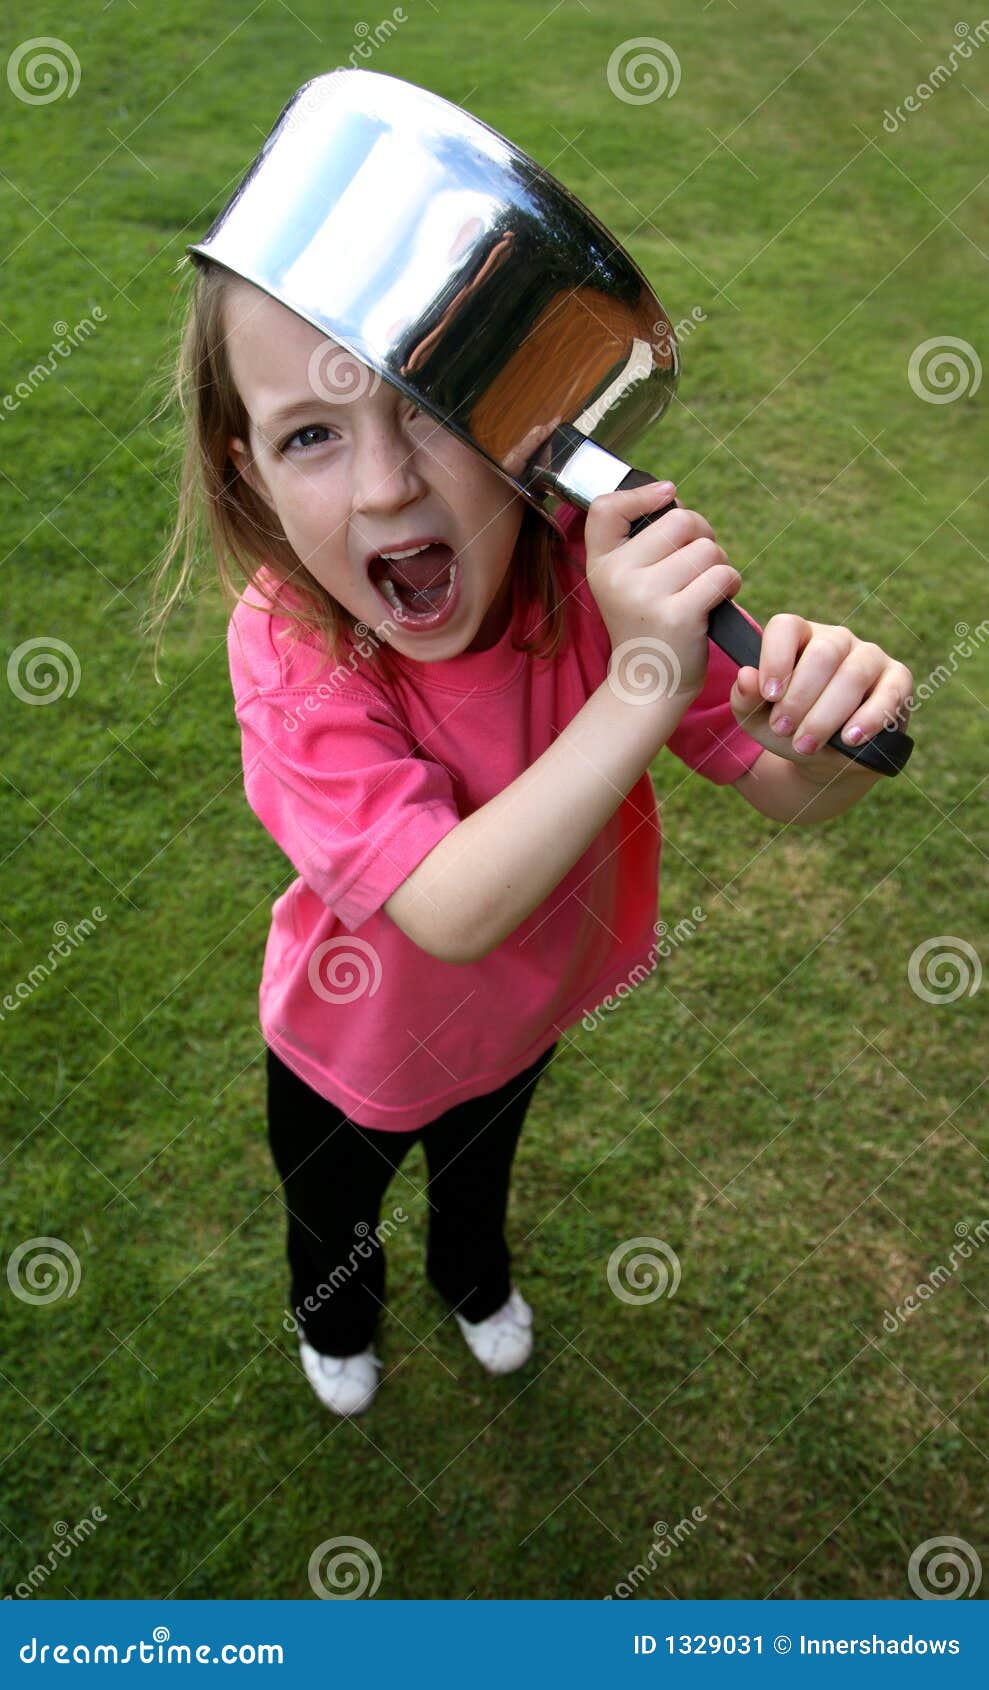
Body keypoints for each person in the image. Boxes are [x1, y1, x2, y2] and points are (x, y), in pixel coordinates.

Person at [146, 263, 914, 1417]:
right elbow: (448, 905)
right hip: (346, 1043)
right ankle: (335, 1317)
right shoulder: (291, 645)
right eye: (311, 434)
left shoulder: (588, 569)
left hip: (520, 1017)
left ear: (524, 426)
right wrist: (643, 677)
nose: (384, 485)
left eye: (428, 403)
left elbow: (781, 785)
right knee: (332, 1213)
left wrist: (831, 732)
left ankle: (471, 1275)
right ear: (245, 468)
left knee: (475, 1177)